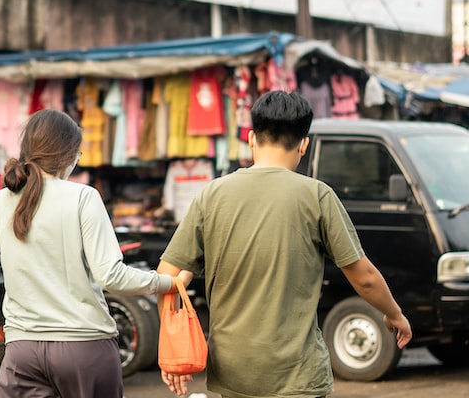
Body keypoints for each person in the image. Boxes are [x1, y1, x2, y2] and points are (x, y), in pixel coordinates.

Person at [156, 91, 412, 398]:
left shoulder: (212, 195)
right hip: (297, 375)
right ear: (304, 144)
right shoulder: (317, 195)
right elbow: (364, 278)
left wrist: (172, 345)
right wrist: (393, 313)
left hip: (233, 373)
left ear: (251, 139)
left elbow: (166, 275)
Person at [0, 109, 180, 398]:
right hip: (83, 347)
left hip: (21, 349)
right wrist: (166, 282)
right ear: (66, 155)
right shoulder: (83, 197)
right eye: (77, 155)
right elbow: (111, 276)